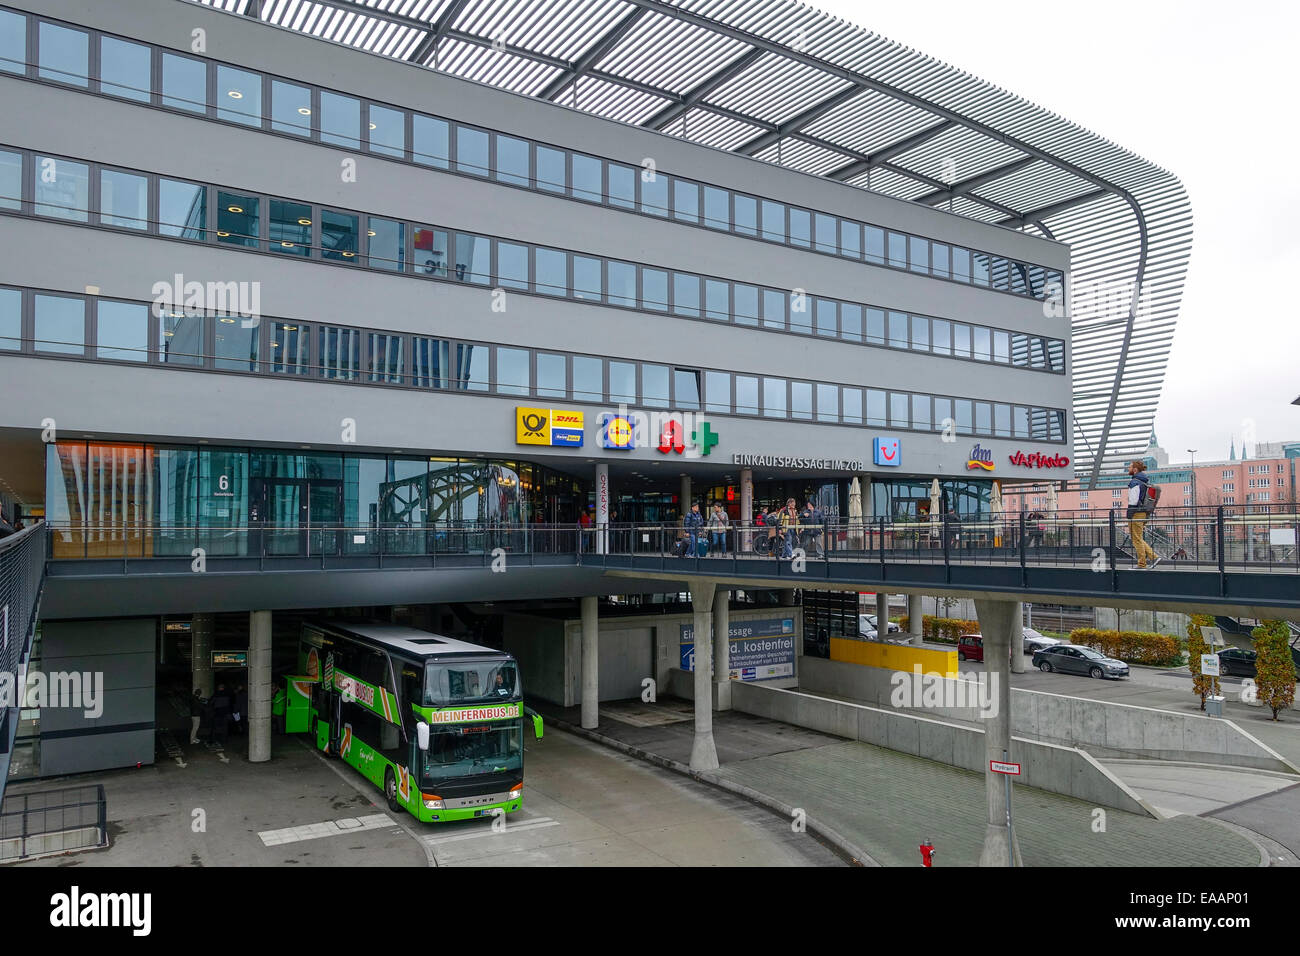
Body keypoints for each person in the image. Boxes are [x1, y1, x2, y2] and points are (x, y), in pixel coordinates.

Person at [1126, 459, 1159, 569]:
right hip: (1143, 512)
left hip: (1136, 512)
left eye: (1130, 467)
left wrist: (1130, 512)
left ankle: (1142, 563)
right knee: (1138, 537)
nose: (1128, 469)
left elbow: (1133, 500)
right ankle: (1153, 557)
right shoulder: (1144, 481)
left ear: (1135, 470)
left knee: (1136, 539)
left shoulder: (1135, 482)